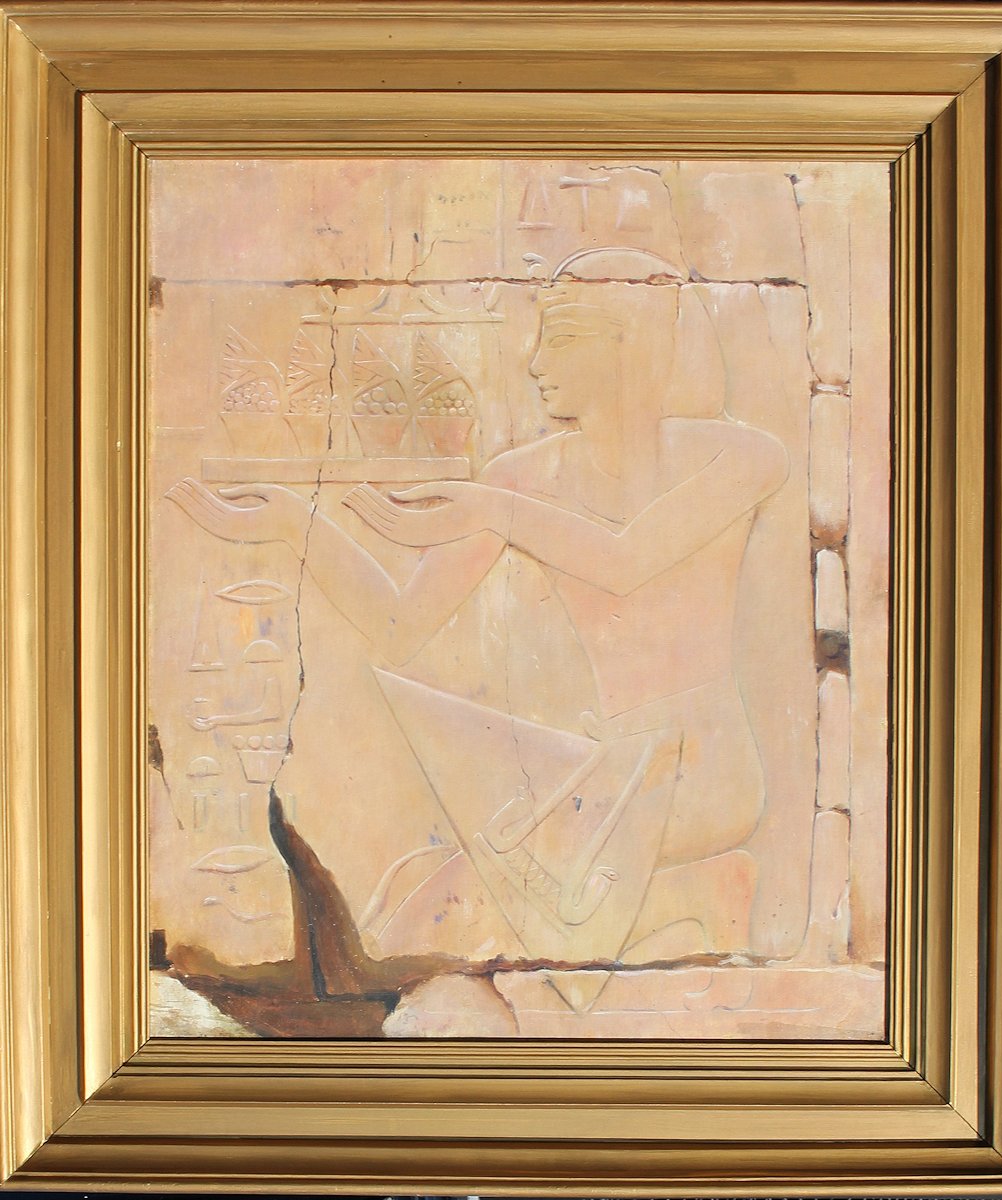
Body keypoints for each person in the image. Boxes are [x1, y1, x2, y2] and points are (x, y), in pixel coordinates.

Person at [168, 251, 789, 979]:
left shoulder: (739, 455)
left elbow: (626, 560)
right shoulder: (520, 477)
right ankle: (677, 901)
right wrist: (291, 523)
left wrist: (493, 510)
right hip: (595, 773)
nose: (535, 363)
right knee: (405, 899)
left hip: (703, 777)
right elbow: (401, 625)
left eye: (561, 337)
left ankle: (691, 895)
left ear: (631, 345)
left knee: (444, 913)